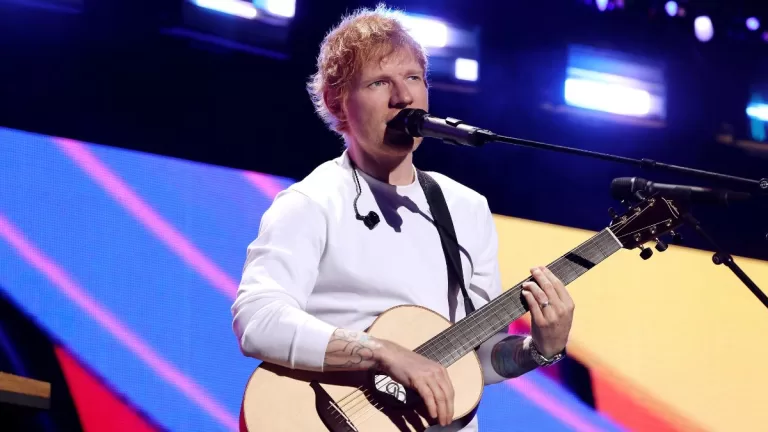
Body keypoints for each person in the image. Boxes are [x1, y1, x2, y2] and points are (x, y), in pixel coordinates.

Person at [231, 4, 575, 431]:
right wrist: (383, 353)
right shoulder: (311, 202)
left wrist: (539, 349)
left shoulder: (466, 208)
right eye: (379, 82)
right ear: (338, 102)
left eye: (413, 78)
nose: (403, 97)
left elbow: (476, 361)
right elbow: (257, 319)